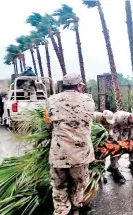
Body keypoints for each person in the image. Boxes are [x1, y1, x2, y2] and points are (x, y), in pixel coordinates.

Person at [44, 73, 95, 215]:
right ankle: (76, 210)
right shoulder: (88, 101)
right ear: (79, 86)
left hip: (59, 153)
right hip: (81, 155)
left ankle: (61, 211)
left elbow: (47, 125)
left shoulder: (51, 100)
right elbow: (89, 123)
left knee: (59, 186)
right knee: (78, 185)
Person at [107, 110, 133, 183]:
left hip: (127, 130)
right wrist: (111, 138)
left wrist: (132, 140)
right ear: (130, 117)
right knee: (116, 148)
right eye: (132, 121)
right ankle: (114, 168)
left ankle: (132, 163)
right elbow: (110, 127)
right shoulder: (118, 116)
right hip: (116, 128)